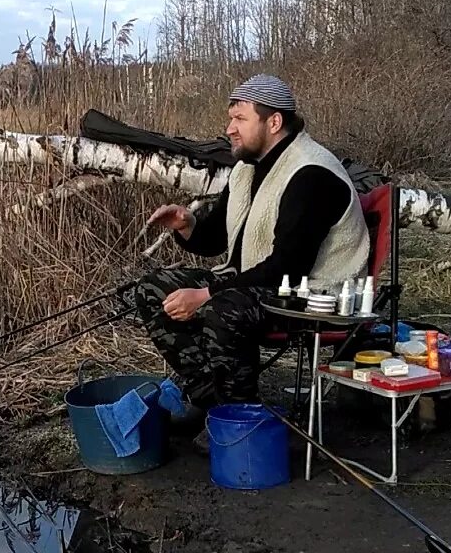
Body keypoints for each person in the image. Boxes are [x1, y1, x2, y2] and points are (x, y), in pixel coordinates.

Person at [135, 74, 370, 445]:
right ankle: (210, 400)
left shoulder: (311, 173)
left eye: (240, 119)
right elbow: (215, 240)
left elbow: (287, 269)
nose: (229, 128)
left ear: (273, 122)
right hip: (260, 284)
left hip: (315, 295)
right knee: (153, 288)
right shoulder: (247, 167)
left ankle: (241, 421)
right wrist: (186, 224)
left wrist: (208, 294)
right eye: (230, 119)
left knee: (222, 308)